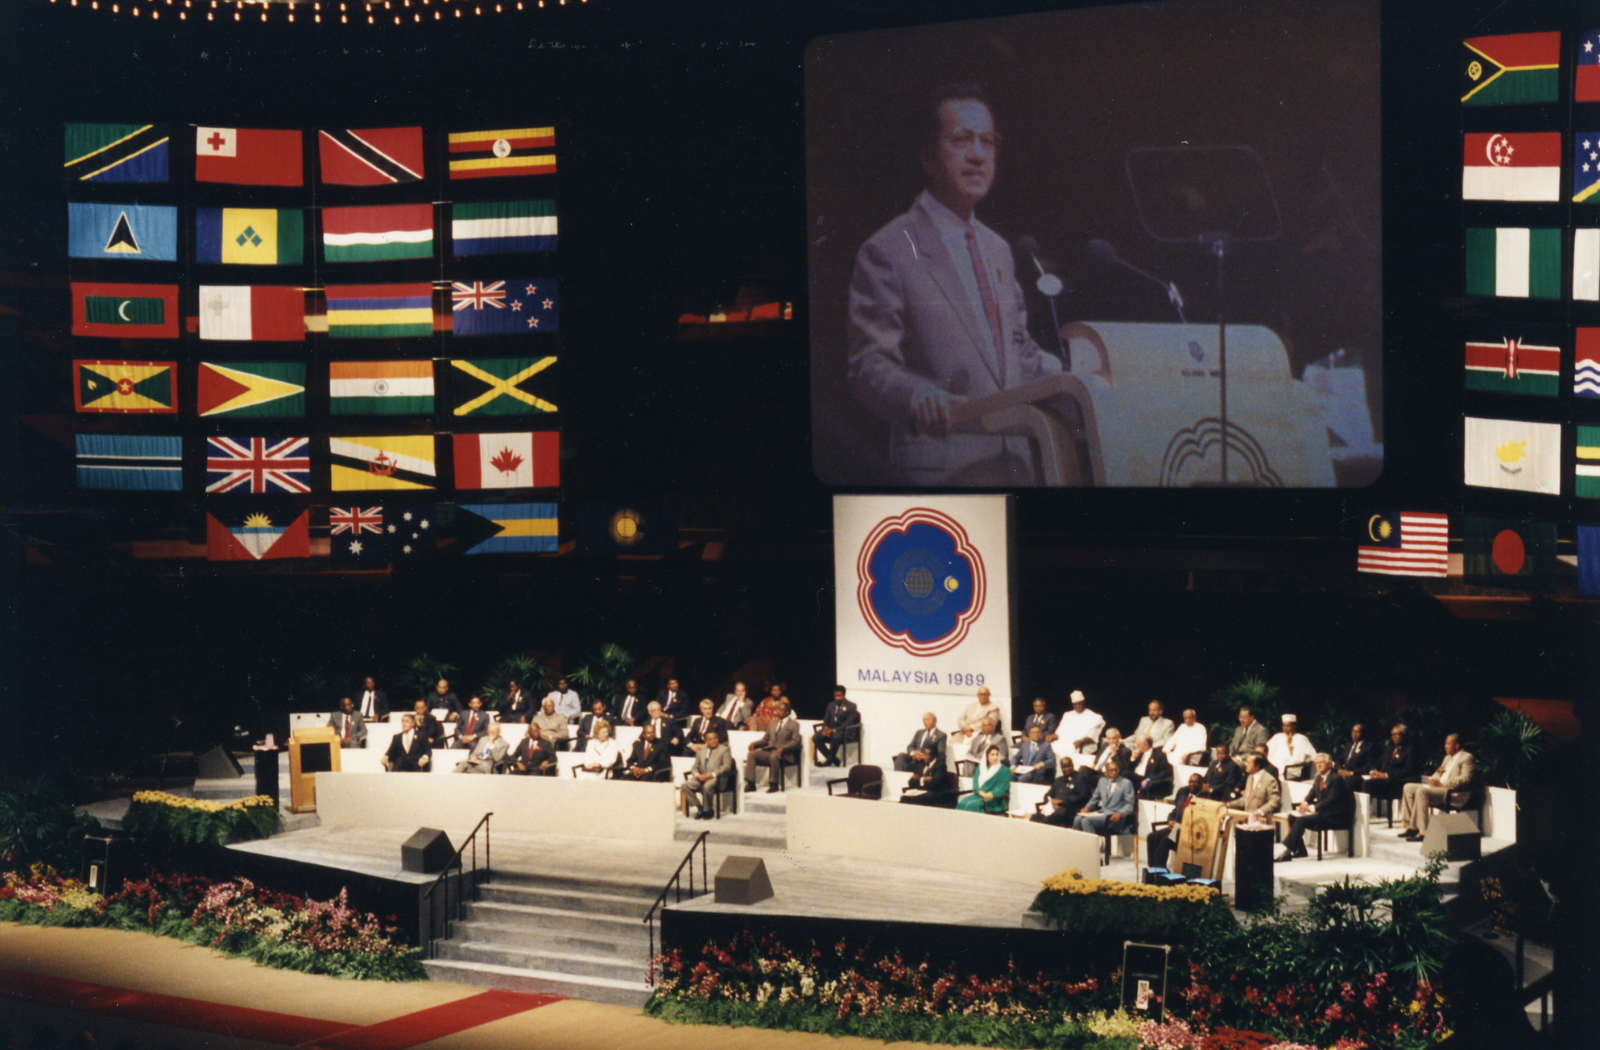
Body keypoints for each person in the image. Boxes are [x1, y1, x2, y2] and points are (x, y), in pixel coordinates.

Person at [846, 82, 1067, 487]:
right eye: (961, 140)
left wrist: (1077, 376)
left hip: (1019, 469)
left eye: (988, 142)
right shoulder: (889, 248)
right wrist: (915, 397)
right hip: (943, 475)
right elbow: (868, 365)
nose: (978, 156)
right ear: (929, 157)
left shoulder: (998, 250)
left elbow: (1020, 354)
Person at [1400, 734, 1479, 841]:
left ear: (1456, 745)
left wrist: (1443, 783)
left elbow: (1466, 779)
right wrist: (1432, 780)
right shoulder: (1447, 758)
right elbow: (1439, 772)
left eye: (1448, 743)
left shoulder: (1467, 757)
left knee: (1421, 792)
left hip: (1453, 792)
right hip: (1439, 788)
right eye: (1445, 743)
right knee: (1408, 787)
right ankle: (1413, 826)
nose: (1445, 746)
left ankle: (1423, 831)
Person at [1278, 753, 1353, 859]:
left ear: (1329, 765)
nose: (1319, 765)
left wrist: (1311, 808)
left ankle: (1287, 851)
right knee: (1292, 817)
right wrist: (1304, 803)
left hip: (1335, 815)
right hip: (1324, 813)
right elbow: (1312, 793)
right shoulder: (1318, 777)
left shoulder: (1336, 779)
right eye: (1317, 763)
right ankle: (1301, 850)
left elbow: (1330, 801)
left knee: (1301, 820)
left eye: (1322, 762)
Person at [1148, 773, 1207, 871]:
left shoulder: (1203, 800)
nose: (1192, 784)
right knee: (1152, 837)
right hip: (1174, 828)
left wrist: (1180, 825)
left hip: (1187, 832)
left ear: (1201, 785)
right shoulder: (1184, 796)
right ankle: (1153, 868)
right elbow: (1174, 811)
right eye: (1191, 782)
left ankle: (1160, 871)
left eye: (1196, 782)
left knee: (1165, 840)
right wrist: (1170, 821)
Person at [743, 698, 801, 792]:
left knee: (774, 756)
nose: (777, 712)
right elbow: (765, 739)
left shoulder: (794, 724)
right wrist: (755, 744)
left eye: (780, 710)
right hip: (770, 751)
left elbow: (795, 741)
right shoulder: (773, 723)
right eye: (778, 709)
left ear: (787, 712)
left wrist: (783, 748)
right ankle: (751, 783)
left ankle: (774, 784)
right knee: (752, 754)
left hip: (784, 754)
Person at [1360, 724, 1417, 805]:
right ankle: (1359, 811)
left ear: (1404, 735)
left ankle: (1363, 812)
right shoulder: (1390, 748)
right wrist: (1374, 771)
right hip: (1384, 781)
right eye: (1392, 734)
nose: (1394, 737)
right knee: (1360, 780)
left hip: (1397, 783)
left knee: (1369, 784)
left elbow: (1408, 770)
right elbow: (1378, 763)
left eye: (1397, 734)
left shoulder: (1410, 750)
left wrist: (1386, 775)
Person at [1073, 760, 1135, 834]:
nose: (1114, 773)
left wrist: (1120, 813)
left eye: (1116, 770)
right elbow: (1095, 798)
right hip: (1103, 813)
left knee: (1086, 821)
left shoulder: (1126, 783)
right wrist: (1087, 807)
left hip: (1115, 816)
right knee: (1077, 819)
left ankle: (1093, 845)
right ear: (1106, 772)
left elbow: (1130, 804)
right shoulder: (1102, 781)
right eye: (1111, 770)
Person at [1032, 756, 1097, 827]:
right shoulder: (1058, 780)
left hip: (1070, 809)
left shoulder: (1080, 778)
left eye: (1068, 766)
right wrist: (1052, 803)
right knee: (1034, 817)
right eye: (1063, 767)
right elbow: (1048, 795)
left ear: (1072, 765)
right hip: (1054, 809)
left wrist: (1062, 801)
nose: (1066, 769)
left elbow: (1083, 796)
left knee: (1048, 819)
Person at [682, 729, 733, 819]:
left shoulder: (724, 750)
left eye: (715, 738)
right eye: (710, 739)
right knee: (686, 785)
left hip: (716, 778)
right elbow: (694, 767)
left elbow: (726, 766)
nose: (714, 741)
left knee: (707, 786)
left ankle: (708, 810)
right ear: (706, 741)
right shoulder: (701, 751)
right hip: (702, 777)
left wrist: (712, 775)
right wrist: (697, 775)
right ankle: (700, 808)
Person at [812, 685, 861, 767]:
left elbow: (848, 723)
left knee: (836, 737)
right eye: (835, 696)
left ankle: (829, 760)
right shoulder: (831, 705)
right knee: (816, 737)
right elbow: (826, 720)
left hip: (845, 731)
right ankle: (833, 759)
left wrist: (834, 730)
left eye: (839, 696)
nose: (837, 698)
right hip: (831, 730)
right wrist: (825, 729)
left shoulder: (851, 706)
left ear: (844, 695)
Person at [957, 745, 1011, 814]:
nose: (995, 757)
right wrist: (983, 794)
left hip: (994, 799)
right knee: (962, 803)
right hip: (980, 795)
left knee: (973, 805)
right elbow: (975, 785)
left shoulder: (1005, 770)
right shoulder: (980, 768)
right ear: (987, 756)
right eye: (992, 755)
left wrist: (991, 794)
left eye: (997, 754)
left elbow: (1002, 788)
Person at [1229, 754, 1282, 824]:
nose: (1245, 764)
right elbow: (1246, 799)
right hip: (1247, 820)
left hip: (1261, 822)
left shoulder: (1269, 780)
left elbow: (1274, 801)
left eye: (1248, 762)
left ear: (1257, 766)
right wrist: (1228, 804)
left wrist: (1260, 812)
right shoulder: (1250, 777)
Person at [898, 741, 951, 806]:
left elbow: (934, 783)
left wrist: (919, 780)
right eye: (923, 754)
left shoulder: (940, 766)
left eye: (926, 755)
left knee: (915, 799)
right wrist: (923, 779)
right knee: (904, 798)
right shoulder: (921, 764)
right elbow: (911, 782)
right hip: (920, 791)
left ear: (934, 756)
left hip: (934, 793)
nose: (924, 757)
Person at [1267, 714, 1316, 781]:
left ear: (1294, 726)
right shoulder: (1277, 737)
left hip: (1293, 769)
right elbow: (1267, 750)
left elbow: (1311, 756)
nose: (1285, 728)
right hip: (1274, 767)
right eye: (1284, 725)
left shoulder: (1301, 738)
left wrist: (1290, 746)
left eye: (1288, 726)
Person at [1059, 690, 1106, 756]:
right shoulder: (1067, 715)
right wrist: (1054, 736)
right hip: (1067, 744)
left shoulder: (1094, 716)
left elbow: (1093, 734)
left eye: (1079, 703)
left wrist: (1081, 740)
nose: (1077, 706)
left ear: (1083, 703)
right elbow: (1060, 731)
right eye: (1074, 704)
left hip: (1084, 747)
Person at [1128, 733, 1173, 800]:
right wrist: (1133, 759)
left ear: (1145, 745)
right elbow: (1129, 769)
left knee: (1126, 775)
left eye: (1138, 744)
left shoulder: (1159, 755)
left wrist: (1149, 779)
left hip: (1148, 779)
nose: (1136, 746)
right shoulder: (1138, 753)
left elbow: (1166, 771)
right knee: (1125, 773)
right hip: (1136, 777)